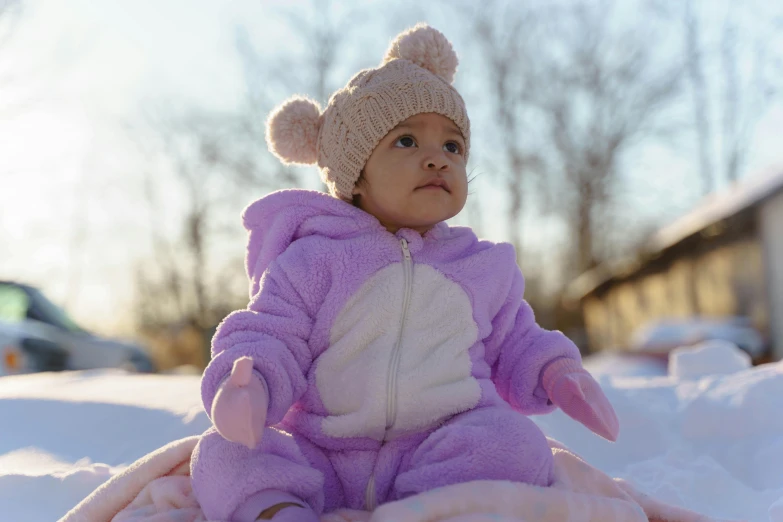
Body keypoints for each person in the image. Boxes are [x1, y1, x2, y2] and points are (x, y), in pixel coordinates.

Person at [190, 23, 619, 522]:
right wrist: (250, 381)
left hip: (440, 451)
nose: (437, 158)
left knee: (518, 443)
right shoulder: (313, 259)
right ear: (354, 173)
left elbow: (517, 339)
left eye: (453, 147)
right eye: (407, 141)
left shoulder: (480, 266)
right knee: (221, 454)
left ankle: (433, 509)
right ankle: (280, 511)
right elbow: (270, 332)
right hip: (323, 457)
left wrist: (558, 372)